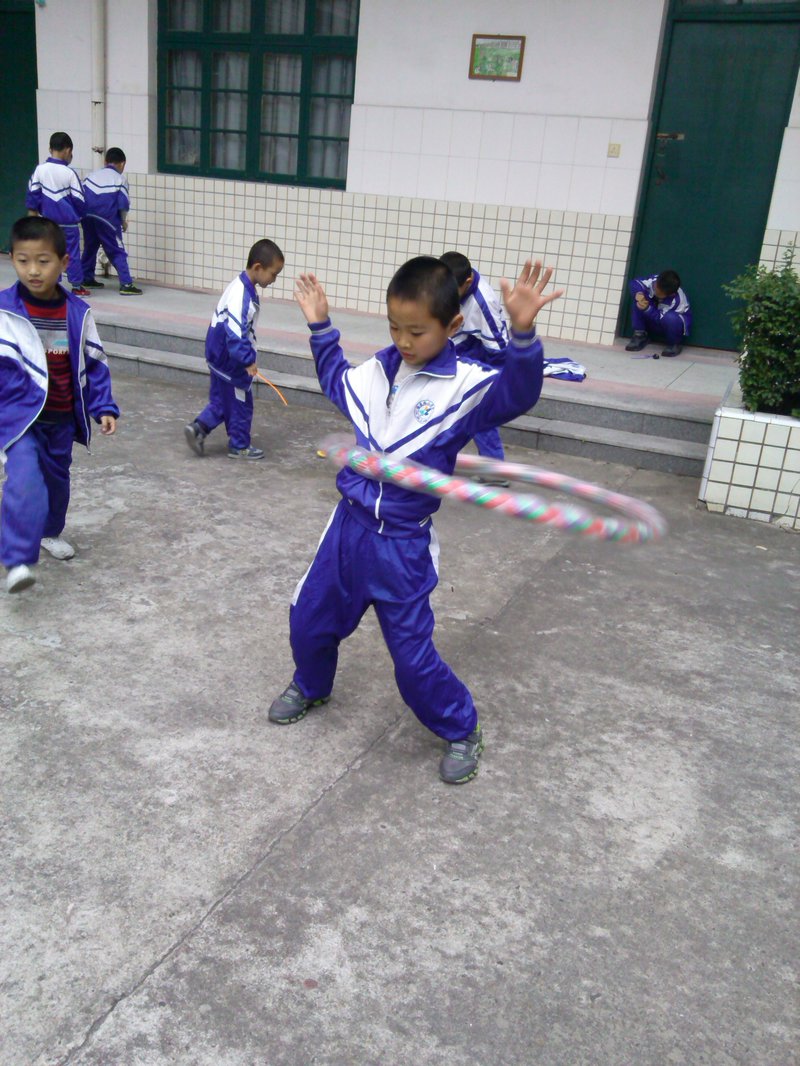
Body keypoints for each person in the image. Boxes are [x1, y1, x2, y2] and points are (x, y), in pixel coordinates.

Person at [268, 256, 562, 784]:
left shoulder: (464, 386)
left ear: (452, 327)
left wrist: (523, 333)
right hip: (347, 530)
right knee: (308, 619)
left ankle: (462, 728)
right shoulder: (379, 370)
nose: (404, 341)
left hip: (401, 546)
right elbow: (337, 381)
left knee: (411, 661)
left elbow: (517, 395)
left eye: (417, 331)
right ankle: (311, 685)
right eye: (394, 327)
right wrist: (319, 326)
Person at [0, 217, 119, 594]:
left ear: (65, 262)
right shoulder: (3, 310)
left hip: (62, 417)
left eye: (43, 261)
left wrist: (104, 406)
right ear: (13, 260)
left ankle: (49, 531)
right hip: (20, 419)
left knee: (57, 482)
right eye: (23, 260)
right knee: (23, 478)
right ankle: (18, 557)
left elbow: (95, 362)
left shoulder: (78, 314)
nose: (33, 270)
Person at [184, 239, 284, 460]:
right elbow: (236, 333)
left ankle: (198, 428)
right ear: (258, 268)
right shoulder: (242, 296)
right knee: (241, 402)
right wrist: (247, 360)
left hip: (218, 356)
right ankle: (239, 445)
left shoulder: (240, 285)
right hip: (231, 360)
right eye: (273, 274)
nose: (274, 279)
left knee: (222, 400)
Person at [440, 251, 509, 479]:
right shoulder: (442, 283)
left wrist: (494, 386)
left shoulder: (483, 301)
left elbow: (499, 350)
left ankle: (494, 471)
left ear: (467, 282)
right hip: (448, 349)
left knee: (478, 410)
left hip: (480, 356)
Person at [25, 132, 89, 298]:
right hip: (68, 224)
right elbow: (80, 200)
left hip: (48, 224)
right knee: (72, 254)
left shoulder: (40, 170)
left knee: (50, 254)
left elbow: (32, 195)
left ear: (49, 149)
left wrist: (34, 215)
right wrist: (80, 215)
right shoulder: (69, 173)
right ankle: (77, 286)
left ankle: (53, 284)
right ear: (68, 150)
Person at [80, 147, 142, 295]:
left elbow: (80, 195)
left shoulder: (90, 176)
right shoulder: (120, 180)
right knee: (116, 250)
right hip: (107, 219)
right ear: (122, 164)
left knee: (90, 246)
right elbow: (123, 205)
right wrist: (122, 221)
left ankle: (86, 278)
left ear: (106, 161)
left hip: (86, 216)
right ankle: (126, 284)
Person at [625, 270, 692, 357]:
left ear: (671, 294)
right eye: (655, 287)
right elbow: (635, 283)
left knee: (671, 318)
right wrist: (639, 293)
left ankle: (674, 344)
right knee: (639, 299)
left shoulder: (677, 300)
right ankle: (640, 334)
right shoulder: (655, 281)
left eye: (659, 292)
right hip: (653, 316)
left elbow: (659, 318)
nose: (655, 290)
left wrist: (647, 308)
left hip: (669, 325)